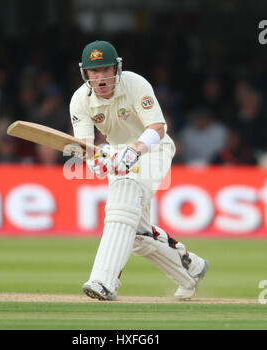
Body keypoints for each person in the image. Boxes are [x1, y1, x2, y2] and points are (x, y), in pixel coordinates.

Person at [69, 40, 209, 301]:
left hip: (153, 149)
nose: (101, 78)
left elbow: (157, 127)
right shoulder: (80, 100)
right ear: (85, 73)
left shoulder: (135, 84)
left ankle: (103, 281)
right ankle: (190, 270)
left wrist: (133, 151)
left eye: (106, 70)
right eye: (94, 71)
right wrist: (94, 160)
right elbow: (85, 145)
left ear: (116, 68)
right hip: (118, 152)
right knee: (135, 235)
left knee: (123, 198)